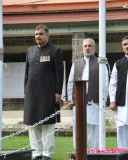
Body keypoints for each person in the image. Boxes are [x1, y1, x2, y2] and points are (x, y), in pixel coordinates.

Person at [24, 24, 64, 160]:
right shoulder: (30, 51)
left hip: (48, 93)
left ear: (48, 35)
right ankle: (36, 152)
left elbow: (59, 74)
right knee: (33, 124)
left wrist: (58, 92)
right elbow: (26, 74)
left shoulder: (55, 51)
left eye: (41, 34)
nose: (38, 36)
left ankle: (47, 153)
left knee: (47, 124)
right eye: (36, 34)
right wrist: (26, 90)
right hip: (31, 94)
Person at [67, 38, 109, 149]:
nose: (87, 48)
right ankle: (79, 152)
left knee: (93, 128)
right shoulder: (76, 63)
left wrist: (103, 101)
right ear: (82, 48)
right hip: (79, 102)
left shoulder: (100, 62)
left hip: (94, 102)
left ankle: (93, 152)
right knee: (78, 127)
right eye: (85, 46)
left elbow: (105, 83)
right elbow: (70, 82)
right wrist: (70, 100)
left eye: (89, 46)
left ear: (94, 48)